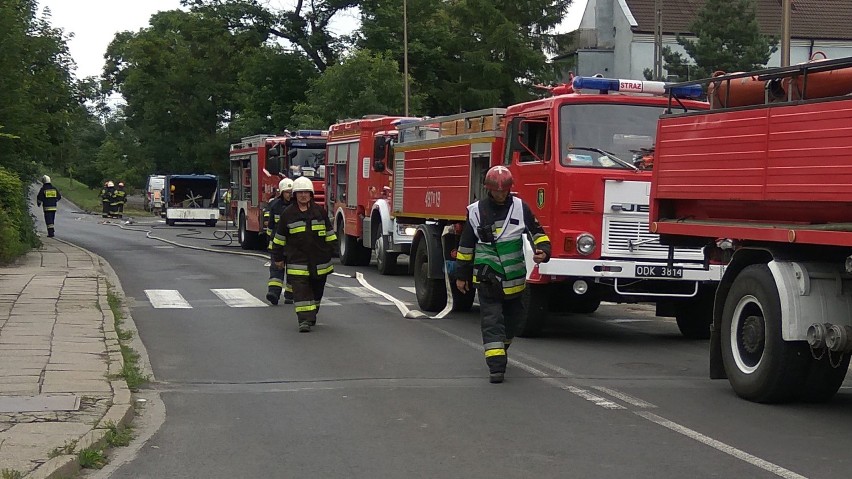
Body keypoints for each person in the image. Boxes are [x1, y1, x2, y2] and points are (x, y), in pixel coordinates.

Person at [454, 166, 551, 384]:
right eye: (496, 191)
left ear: (509, 189)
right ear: (488, 189)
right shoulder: (476, 211)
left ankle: (501, 349)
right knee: (492, 321)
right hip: (488, 277)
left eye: (504, 190)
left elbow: (538, 233)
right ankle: (496, 367)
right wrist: (462, 275)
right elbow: (466, 246)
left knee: (512, 322)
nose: (500, 194)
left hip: (515, 280)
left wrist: (543, 252)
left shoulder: (520, 208)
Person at [270, 176, 338, 332]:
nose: (303, 195)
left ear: (311, 195)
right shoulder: (288, 214)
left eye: (306, 192)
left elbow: (330, 234)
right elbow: (279, 239)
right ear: (295, 195)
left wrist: (332, 251)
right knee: (301, 292)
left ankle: (312, 313)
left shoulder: (319, 212)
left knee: (317, 291)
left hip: (320, 262)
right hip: (297, 261)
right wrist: (278, 258)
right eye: (300, 192)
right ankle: (304, 320)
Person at [264, 178, 295, 305]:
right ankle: (274, 294)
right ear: (282, 192)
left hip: (293, 246)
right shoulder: (275, 205)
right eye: (287, 192)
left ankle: (290, 295)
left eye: (291, 192)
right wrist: (270, 242)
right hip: (278, 246)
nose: (290, 194)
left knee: (294, 271)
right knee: (276, 269)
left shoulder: (297, 206)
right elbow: (269, 226)